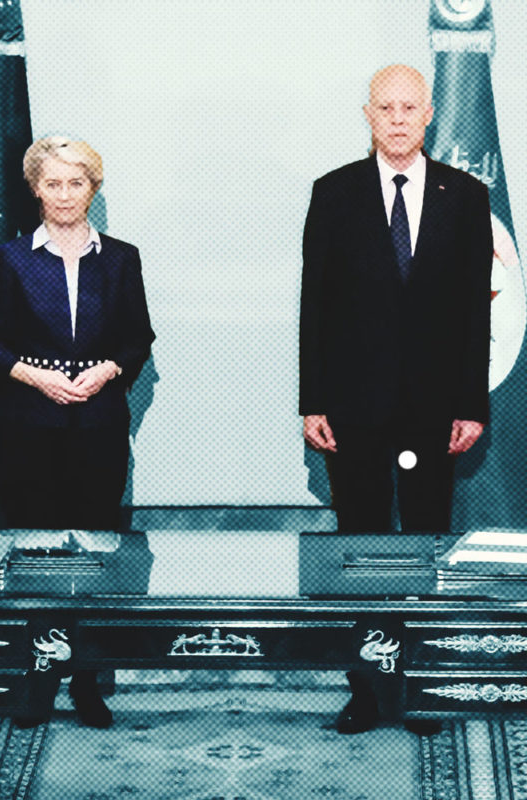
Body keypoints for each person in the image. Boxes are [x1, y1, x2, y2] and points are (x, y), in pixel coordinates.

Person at [299, 65, 493, 733]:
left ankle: (418, 685)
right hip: (352, 406)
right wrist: (313, 400)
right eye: (386, 108)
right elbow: (315, 305)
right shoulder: (334, 192)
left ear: (430, 114)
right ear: (368, 115)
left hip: (435, 410)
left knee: (425, 542)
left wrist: (471, 404)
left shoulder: (465, 196)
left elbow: (474, 312)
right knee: (360, 545)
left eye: (410, 108)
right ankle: (366, 688)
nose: (399, 119)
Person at [0, 136, 155, 727]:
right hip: (31, 430)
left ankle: (87, 683)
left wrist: (109, 370)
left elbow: (138, 338)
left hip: (99, 429)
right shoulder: (11, 259)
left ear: (92, 189)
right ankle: (36, 684)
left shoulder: (121, 258)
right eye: (52, 183)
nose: (63, 194)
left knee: (94, 561)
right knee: (37, 561)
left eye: (75, 183)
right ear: (35, 189)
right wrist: (36, 378)